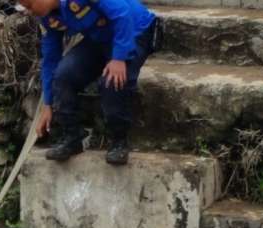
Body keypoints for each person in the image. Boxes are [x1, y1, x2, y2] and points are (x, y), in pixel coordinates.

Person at [19, 0, 160, 166]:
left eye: (29, 5)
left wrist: (119, 58)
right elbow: (50, 59)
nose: (28, 12)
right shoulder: (47, 17)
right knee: (63, 75)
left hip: (135, 29)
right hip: (100, 36)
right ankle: (72, 137)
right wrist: (48, 104)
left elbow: (123, 15)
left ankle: (119, 141)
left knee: (111, 82)